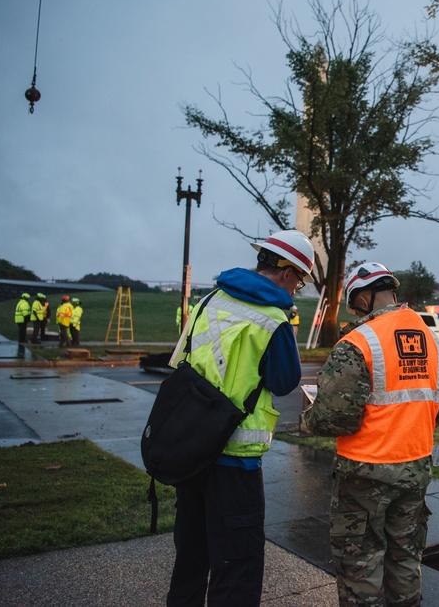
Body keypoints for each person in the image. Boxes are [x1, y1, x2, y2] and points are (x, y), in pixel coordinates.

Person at [166, 229, 315, 607]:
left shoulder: (210, 299)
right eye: (300, 279)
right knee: (237, 567)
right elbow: (285, 382)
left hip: (191, 451)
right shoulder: (274, 320)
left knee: (191, 557)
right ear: (286, 272)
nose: (298, 287)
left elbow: (182, 361)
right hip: (235, 462)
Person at [304, 262, 439, 607]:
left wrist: (310, 416)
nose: (355, 312)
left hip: (364, 473)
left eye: (355, 304)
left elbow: (333, 417)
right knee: (405, 558)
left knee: (360, 564)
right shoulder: (432, 342)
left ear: (365, 297)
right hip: (415, 468)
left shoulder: (358, 342)